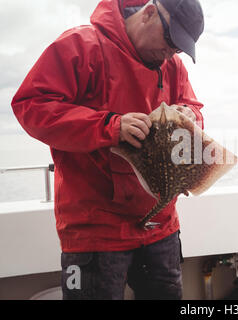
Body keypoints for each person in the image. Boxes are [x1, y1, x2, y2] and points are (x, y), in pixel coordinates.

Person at [11, 0, 204, 300]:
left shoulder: (172, 65)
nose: (171, 53)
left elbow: (192, 106)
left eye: (179, 48)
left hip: (161, 224)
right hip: (96, 227)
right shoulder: (81, 45)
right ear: (150, 13)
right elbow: (32, 106)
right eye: (170, 41)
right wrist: (109, 127)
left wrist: (191, 117)